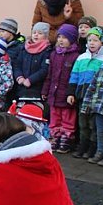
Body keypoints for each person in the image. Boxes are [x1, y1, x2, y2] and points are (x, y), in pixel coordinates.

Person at [41, 23, 80, 153]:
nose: (61, 40)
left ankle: (66, 137)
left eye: (65, 37)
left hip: (66, 94)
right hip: (54, 92)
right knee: (55, 116)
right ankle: (55, 135)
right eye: (59, 37)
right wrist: (45, 90)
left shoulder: (75, 56)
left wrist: (72, 93)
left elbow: (74, 77)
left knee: (67, 117)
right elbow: (50, 75)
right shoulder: (54, 54)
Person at [13, 22, 51, 100]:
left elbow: (44, 70)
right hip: (21, 88)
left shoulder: (47, 50)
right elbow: (17, 65)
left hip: (36, 89)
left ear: (46, 36)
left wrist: (31, 80)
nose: (36, 35)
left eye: (40, 33)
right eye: (34, 32)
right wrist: (19, 77)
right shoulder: (24, 48)